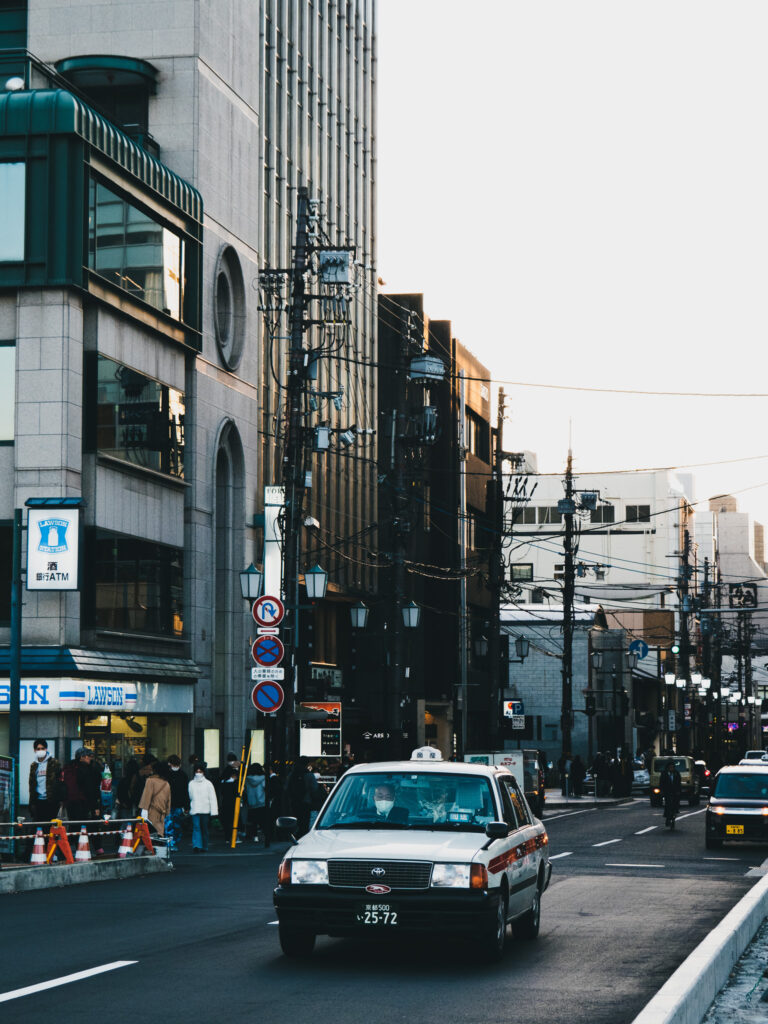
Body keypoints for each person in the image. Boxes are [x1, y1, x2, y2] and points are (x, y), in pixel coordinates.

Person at [62, 748, 101, 822]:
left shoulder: (69, 767)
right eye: (88, 756)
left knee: (73, 825)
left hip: (70, 803)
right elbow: (91, 789)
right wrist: (96, 806)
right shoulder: (87, 769)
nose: (90, 758)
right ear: (81, 757)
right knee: (85, 826)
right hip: (84, 803)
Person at [28, 740, 62, 822]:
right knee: (38, 825)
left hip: (51, 800)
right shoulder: (34, 765)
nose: (40, 751)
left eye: (42, 748)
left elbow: (60, 780)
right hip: (38, 800)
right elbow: (31, 783)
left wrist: (59, 799)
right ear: (34, 750)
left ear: (46, 749)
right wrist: (32, 801)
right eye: (38, 749)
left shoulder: (54, 763)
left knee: (49, 825)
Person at [189, 762, 218, 852]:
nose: (198, 773)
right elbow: (190, 796)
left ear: (203, 772)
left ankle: (204, 846)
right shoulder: (191, 783)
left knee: (204, 828)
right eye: (197, 771)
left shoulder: (208, 784)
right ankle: (197, 846)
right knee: (196, 827)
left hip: (205, 809)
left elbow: (212, 798)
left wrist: (214, 811)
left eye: (200, 771)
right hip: (195, 808)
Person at [138, 760, 171, 837]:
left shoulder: (150, 781)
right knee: (159, 835)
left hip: (151, 812)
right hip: (162, 814)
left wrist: (143, 811)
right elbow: (168, 801)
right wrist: (167, 813)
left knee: (150, 836)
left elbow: (146, 797)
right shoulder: (166, 783)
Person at [165, 754, 189, 852]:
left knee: (170, 825)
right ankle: (172, 843)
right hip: (176, 804)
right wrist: (186, 805)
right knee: (174, 825)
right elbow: (185, 791)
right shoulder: (183, 775)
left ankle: (171, 843)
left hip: (170, 804)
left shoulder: (166, 775)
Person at [218, 753, 241, 842]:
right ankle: (232, 837)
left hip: (229, 799)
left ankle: (229, 837)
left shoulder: (228, 770)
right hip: (232, 799)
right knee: (232, 818)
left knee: (229, 819)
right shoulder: (229, 771)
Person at [244, 763, 267, 842]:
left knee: (253, 821)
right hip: (261, 802)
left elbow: (245, 790)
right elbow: (265, 788)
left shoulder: (247, 779)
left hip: (251, 803)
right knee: (262, 820)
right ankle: (265, 835)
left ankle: (255, 836)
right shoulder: (263, 778)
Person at [659, 759, 682, 828]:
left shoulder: (676, 773)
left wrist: (679, 791)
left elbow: (678, 783)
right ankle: (667, 817)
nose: (671, 768)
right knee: (668, 804)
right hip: (667, 791)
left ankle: (674, 815)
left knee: (675, 804)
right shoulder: (664, 773)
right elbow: (661, 783)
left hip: (675, 792)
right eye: (670, 767)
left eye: (672, 767)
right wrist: (662, 791)